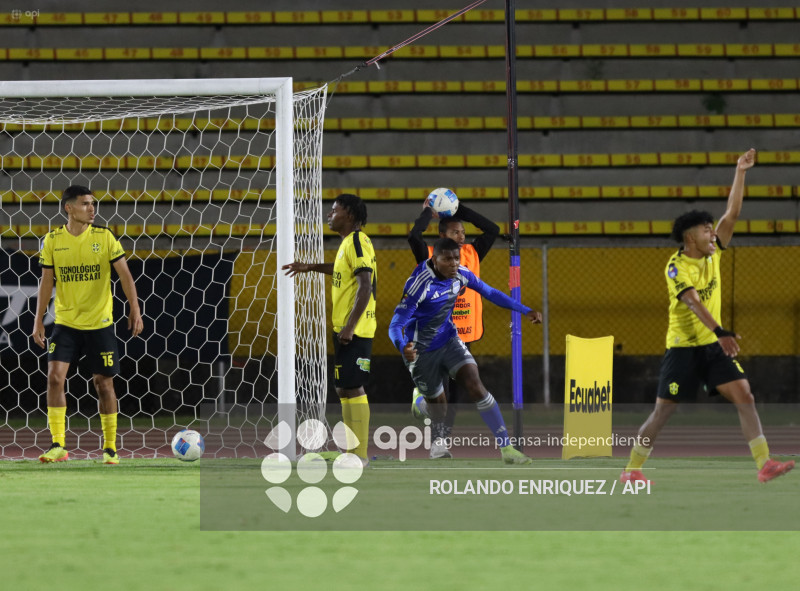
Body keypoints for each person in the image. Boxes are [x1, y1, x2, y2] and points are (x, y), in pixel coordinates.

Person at [620, 149, 794, 484]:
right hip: (684, 349)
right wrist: (721, 330)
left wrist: (740, 171)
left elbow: (733, 213)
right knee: (662, 412)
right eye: (705, 230)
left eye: (712, 229)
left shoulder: (713, 253)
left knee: (745, 394)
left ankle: (764, 463)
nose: (713, 234)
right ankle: (631, 469)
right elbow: (693, 302)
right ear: (690, 237)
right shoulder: (676, 267)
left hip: (713, 347)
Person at [389, 237, 542, 464]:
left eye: (456, 258)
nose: (453, 263)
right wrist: (403, 347)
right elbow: (395, 325)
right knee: (438, 410)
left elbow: (489, 292)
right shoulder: (419, 283)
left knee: (475, 384)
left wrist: (525, 310)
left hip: (449, 340)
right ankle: (420, 403)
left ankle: (507, 449)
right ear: (435, 259)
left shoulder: (461, 273)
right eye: (447, 259)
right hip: (421, 351)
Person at [32, 185, 144, 464]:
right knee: (54, 378)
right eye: (85, 204)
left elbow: (126, 276)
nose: (92, 208)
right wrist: (38, 319)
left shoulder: (104, 238)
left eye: (93, 203)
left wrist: (135, 309)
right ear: (68, 208)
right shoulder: (52, 240)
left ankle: (110, 448)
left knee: (103, 384)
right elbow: (47, 281)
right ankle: (58, 445)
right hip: (66, 322)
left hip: (100, 324)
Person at [282, 194, 376, 467]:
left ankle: (360, 456)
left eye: (334, 210)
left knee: (354, 387)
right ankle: (352, 452)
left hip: (355, 329)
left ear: (348, 213)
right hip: (346, 328)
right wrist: (310, 267)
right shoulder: (348, 243)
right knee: (343, 388)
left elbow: (365, 284)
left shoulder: (357, 240)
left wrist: (349, 327)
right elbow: (342, 272)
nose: (329, 214)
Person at [408, 193, 500, 459]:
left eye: (463, 232)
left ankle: (438, 433)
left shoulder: (471, 254)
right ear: (442, 236)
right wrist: (428, 212)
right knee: (444, 392)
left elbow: (492, 229)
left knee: (458, 393)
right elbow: (414, 236)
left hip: (464, 334)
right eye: (455, 232)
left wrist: (459, 209)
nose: (461, 236)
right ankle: (436, 437)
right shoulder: (428, 257)